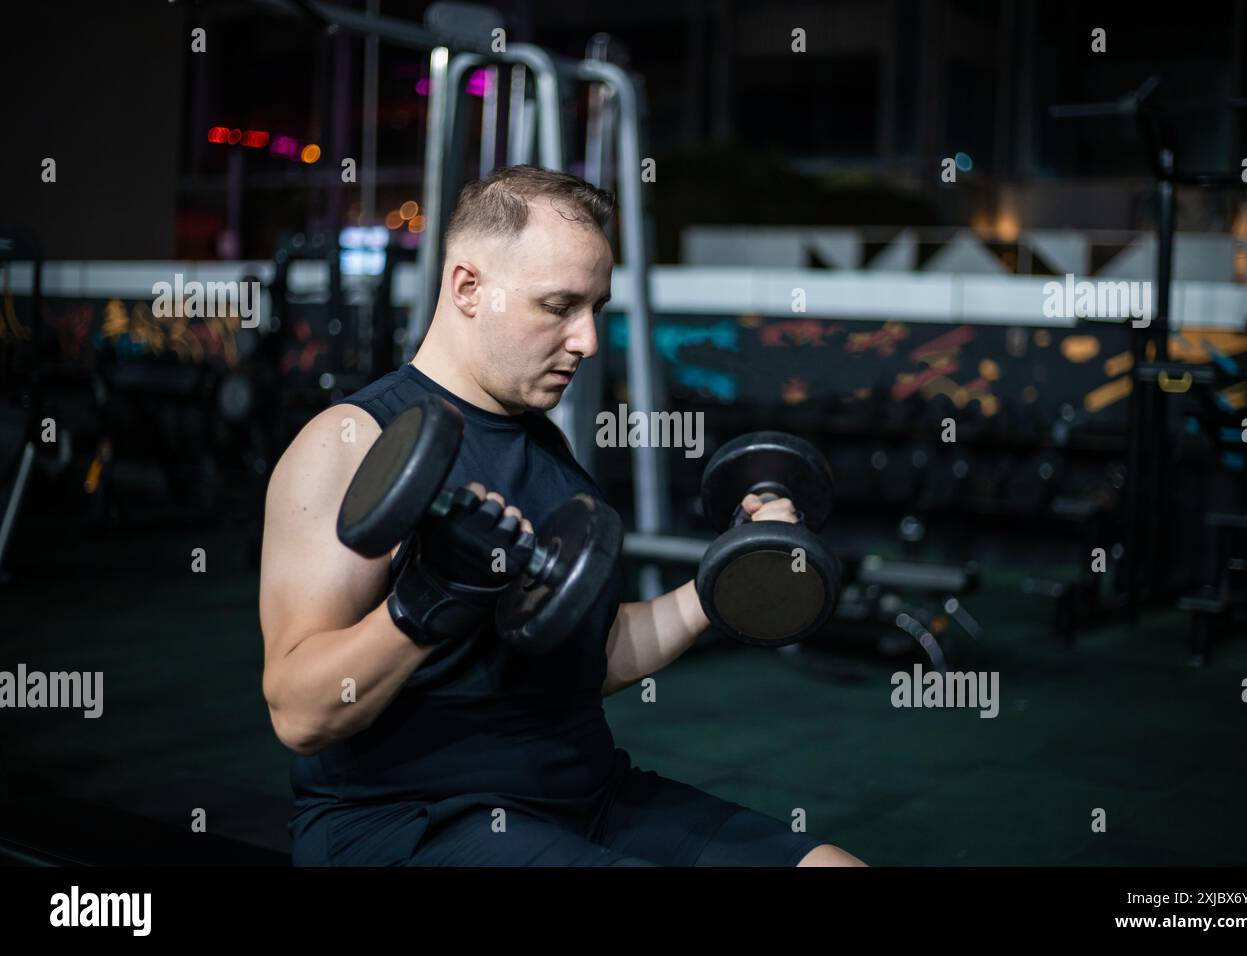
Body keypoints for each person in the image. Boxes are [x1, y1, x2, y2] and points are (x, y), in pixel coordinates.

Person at [259, 164, 865, 867]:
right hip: (411, 824)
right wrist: (426, 603)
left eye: (596, 308)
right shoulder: (352, 441)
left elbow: (591, 654)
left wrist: (724, 577)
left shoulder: (542, 443)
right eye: (558, 306)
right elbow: (299, 712)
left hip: (586, 799)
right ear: (467, 288)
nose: (587, 341)